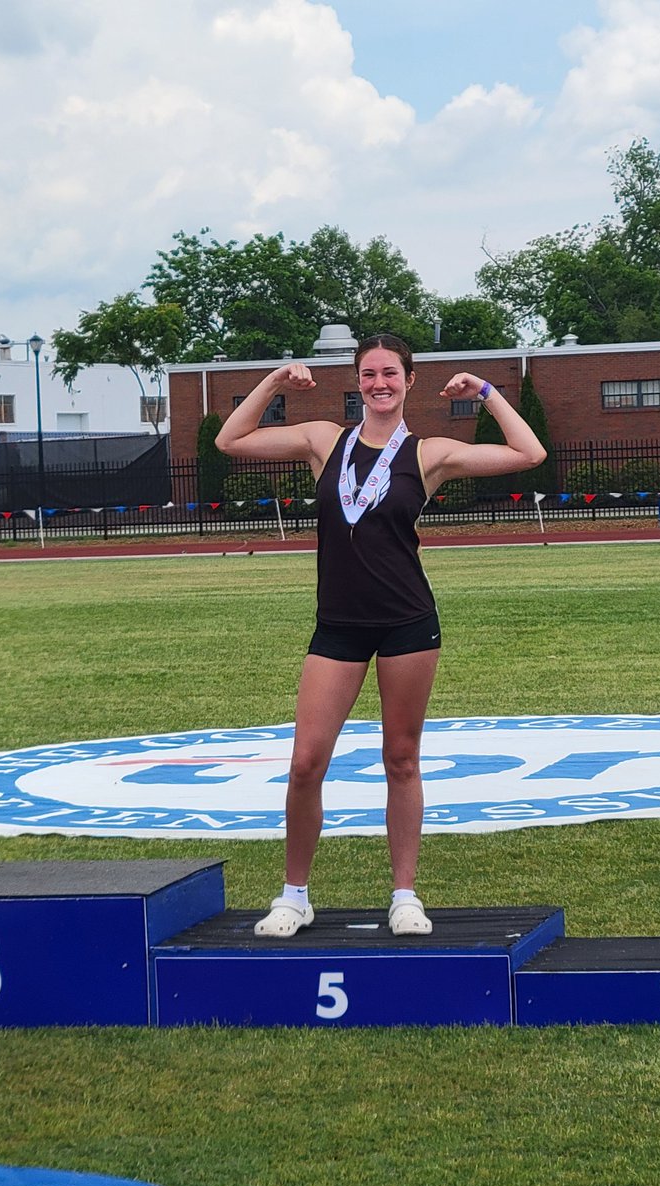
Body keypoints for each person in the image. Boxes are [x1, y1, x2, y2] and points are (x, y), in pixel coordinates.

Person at [215, 333, 546, 937]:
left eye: (390, 373)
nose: (379, 383)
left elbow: (529, 454)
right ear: (358, 382)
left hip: (407, 622)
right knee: (305, 763)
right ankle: (294, 895)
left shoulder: (429, 452)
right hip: (337, 624)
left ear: (409, 381)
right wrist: (275, 383)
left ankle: (404, 896)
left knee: (401, 758)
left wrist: (487, 392)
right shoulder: (324, 440)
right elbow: (229, 440)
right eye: (368, 374)